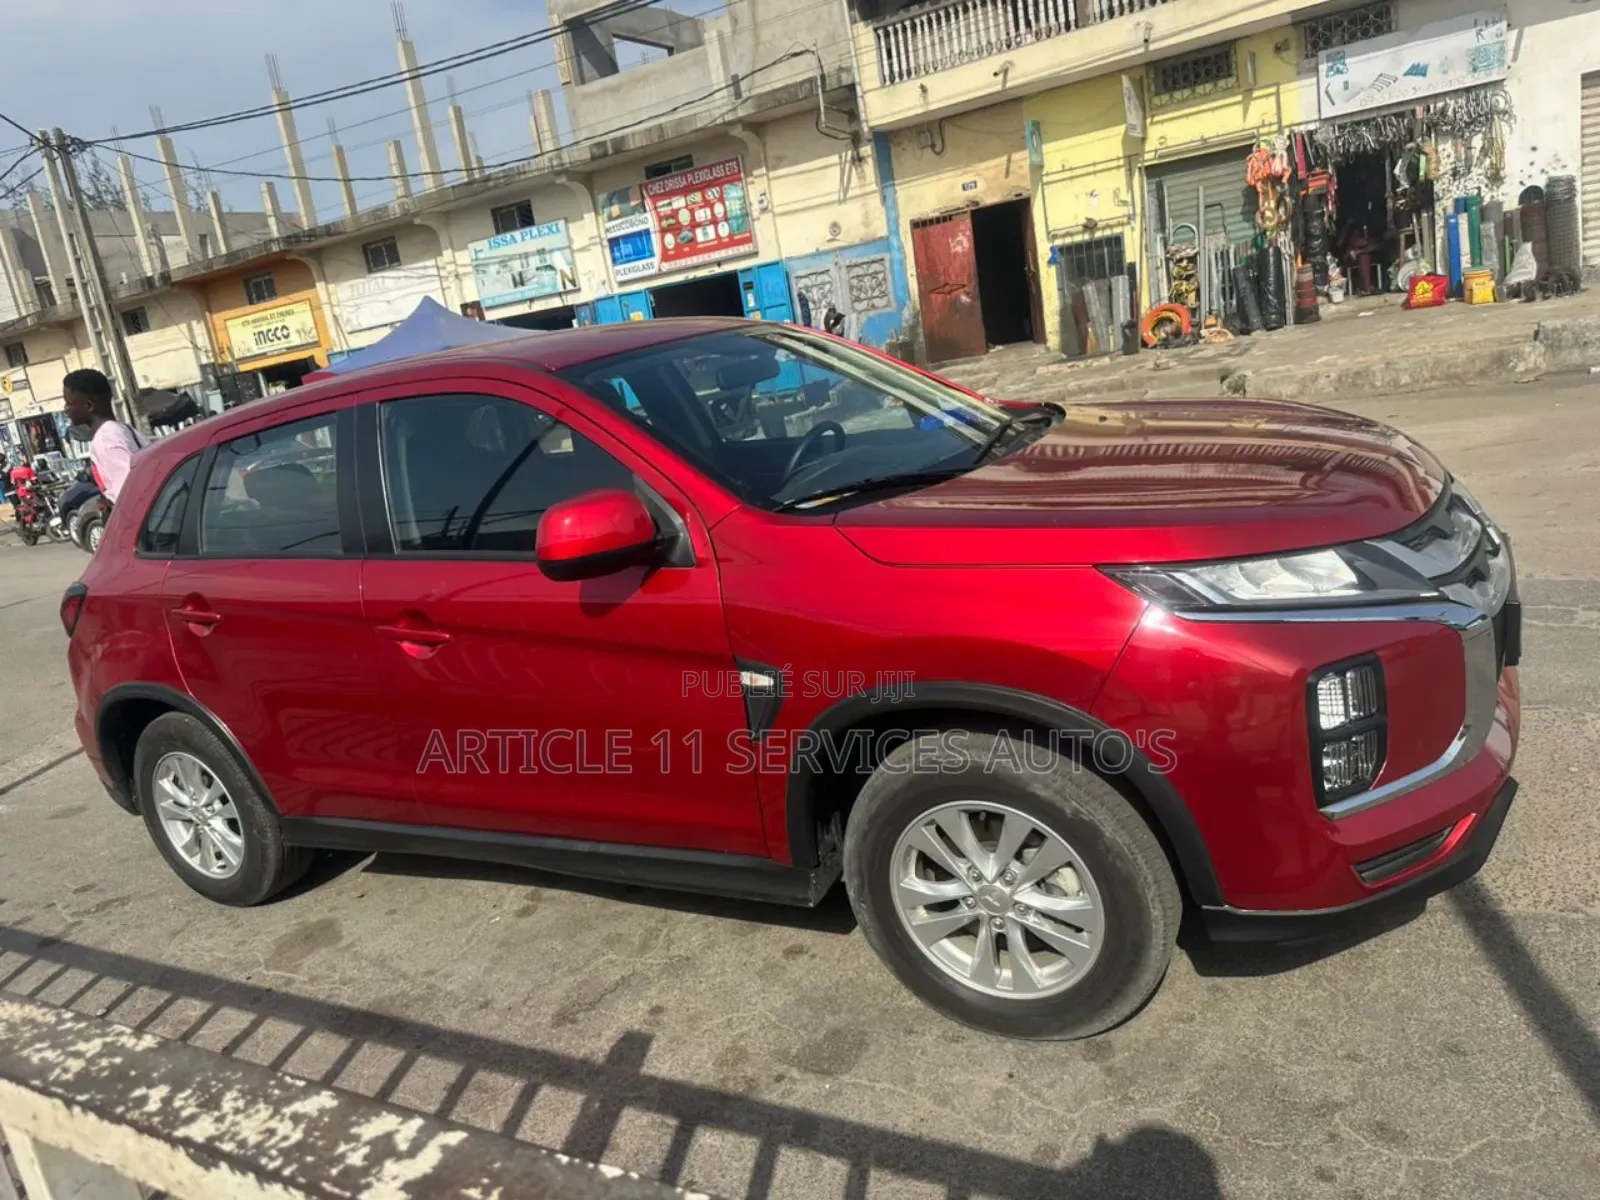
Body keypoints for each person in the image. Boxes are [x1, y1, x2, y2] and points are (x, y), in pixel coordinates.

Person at [62, 369, 145, 506]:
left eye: (69, 403)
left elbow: (131, 497)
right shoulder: (124, 430)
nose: (66, 409)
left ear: (89, 405)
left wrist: (111, 507)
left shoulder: (107, 441)